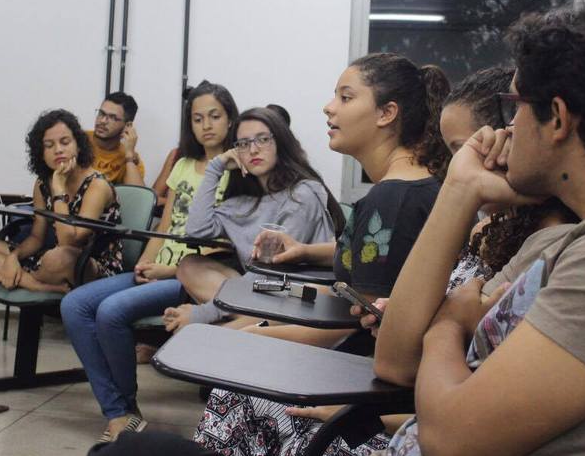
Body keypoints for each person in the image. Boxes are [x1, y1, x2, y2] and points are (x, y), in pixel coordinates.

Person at [53, 5, 585, 456]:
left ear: (557, 119)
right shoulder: (579, 239)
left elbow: (453, 446)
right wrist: (460, 192)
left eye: (519, 108)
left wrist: (450, 320)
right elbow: (394, 358)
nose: (506, 128)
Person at [193, 66, 576, 456]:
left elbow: (409, 366)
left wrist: (441, 324)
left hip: (391, 402)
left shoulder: (398, 200)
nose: (454, 165)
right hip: (397, 388)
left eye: (345, 96)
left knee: (233, 393)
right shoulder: (492, 227)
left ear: (386, 113)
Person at [164, 53, 449, 335]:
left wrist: (249, 337)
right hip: (294, 292)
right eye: (243, 143)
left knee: (233, 331)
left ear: (386, 113)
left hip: (335, 346)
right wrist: (304, 250)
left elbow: (360, 327)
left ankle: (234, 326)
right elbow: (371, 260)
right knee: (193, 269)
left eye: (345, 98)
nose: (329, 107)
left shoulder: (389, 199)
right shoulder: (398, 191)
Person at [59, 81, 239, 442]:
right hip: (159, 269)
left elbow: (229, 247)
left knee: (111, 311)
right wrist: (143, 264)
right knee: (74, 304)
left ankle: (121, 412)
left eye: (214, 117)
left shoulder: (238, 171)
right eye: (197, 118)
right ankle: (121, 412)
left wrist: (168, 271)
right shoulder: (184, 164)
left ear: (231, 119)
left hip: (195, 278)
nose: (206, 125)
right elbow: (165, 224)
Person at [160, 106, 345, 330]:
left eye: (263, 139)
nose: (253, 150)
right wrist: (216, 168)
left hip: (300, 294)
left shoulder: (303, 193)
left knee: (204, 337)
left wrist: (204, 312)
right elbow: (196, 230)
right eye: (244, 144)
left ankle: (226, 326)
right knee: (188, 266)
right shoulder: (240, 203)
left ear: (280, 143)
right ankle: (240, 320)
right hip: (260, 290)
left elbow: (274, 272)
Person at [0, 110, 122, 293]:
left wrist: (59, 190)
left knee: (57, 257)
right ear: (41, 153)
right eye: (49, 145)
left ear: (78, 146)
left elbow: (68, 242)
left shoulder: (97, 186)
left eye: (65, 142)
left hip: (90, 265)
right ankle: (34, 284)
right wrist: (13, 257)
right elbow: (37, 238)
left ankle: (28, 280)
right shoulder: (42, 183)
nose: (58, 150)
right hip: (50, 257)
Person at [88, 92, 144, 186]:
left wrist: (129, 156)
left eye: (113, 118)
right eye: (101, 113)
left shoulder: (130, 158)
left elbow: (135, 197)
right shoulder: (78, 140)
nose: (103, 121)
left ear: (127, 125)